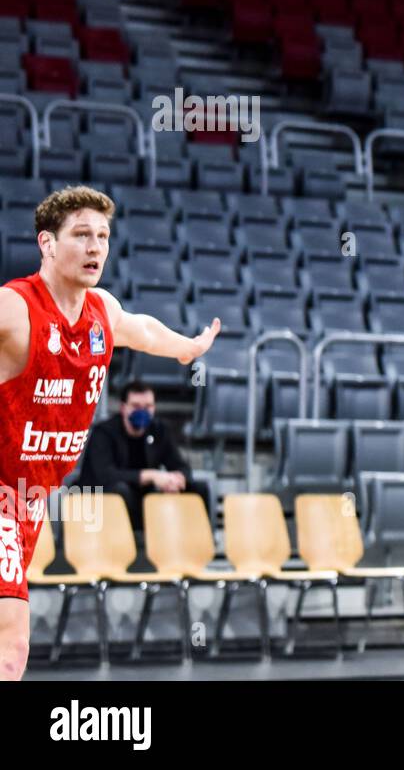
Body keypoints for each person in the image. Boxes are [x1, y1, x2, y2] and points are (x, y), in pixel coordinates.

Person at [0, 185, 219, 680]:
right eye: (80, 235)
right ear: (47, 244)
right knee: (11, 644)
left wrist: (187, 348)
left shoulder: (103, 310)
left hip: (28, 500)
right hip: (1, 495)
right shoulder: (16, 307)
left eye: (102, 235)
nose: (95, 246)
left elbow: (141, 329)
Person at [78, 380, 209, 531]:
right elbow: (105, 476)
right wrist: (150, 475)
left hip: (141, 495)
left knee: (199, 488)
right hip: (98, 497)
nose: (142, 411)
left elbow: (181, 466)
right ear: (123, 408)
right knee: (121, 490)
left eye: (148, 406)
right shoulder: (104, 432)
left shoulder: (159, 430)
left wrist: (176, 479)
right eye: (136, 406)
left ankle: (196, 543)